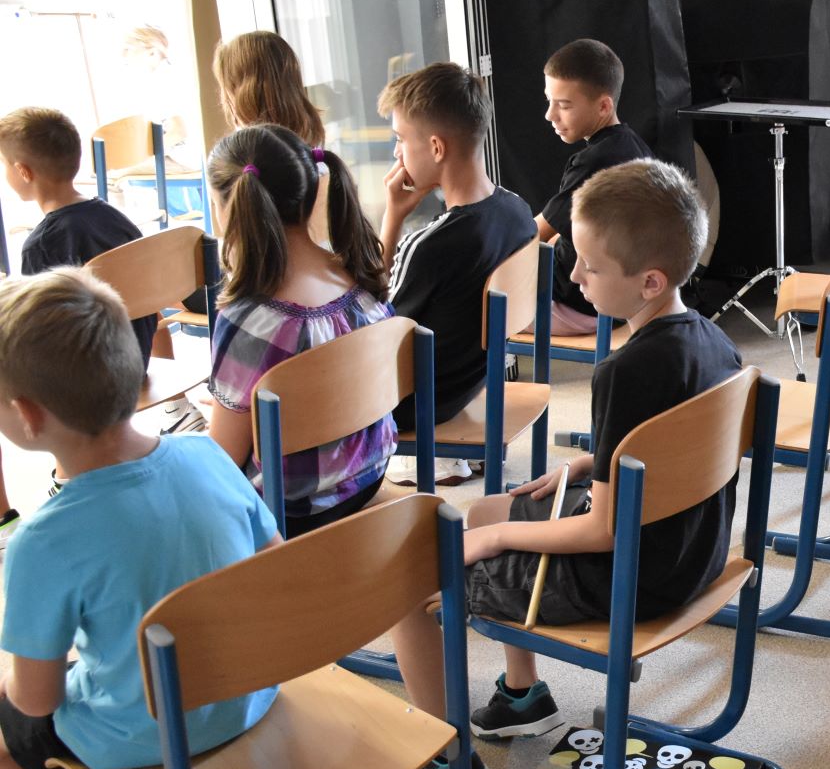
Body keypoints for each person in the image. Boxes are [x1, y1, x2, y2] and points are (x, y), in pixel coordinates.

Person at [379, 159, 741, 769]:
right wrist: (583, 464)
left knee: (410, 577)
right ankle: (522, 697)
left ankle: (443, 760)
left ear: (649, 281)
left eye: (590, 268)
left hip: (629, 577)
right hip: (694, 551)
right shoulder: (716, 343)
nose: (572, 278)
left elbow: (602, 530)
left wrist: (497, 542)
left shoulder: (625, 371)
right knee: (493, 507)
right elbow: (667, 445)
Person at [0, 269, 280, 769]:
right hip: (249, 699)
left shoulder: (42, 541)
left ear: (27, 415)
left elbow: (34, 703)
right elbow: (275, 569)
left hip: (144, 732)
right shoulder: (207, 455)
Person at [205, 124, 394, 537]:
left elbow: (224, 458)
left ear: (230, 208)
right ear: (308, 195)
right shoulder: (360, 275)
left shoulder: (249, 318)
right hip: (368, 476)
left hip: (290, 511)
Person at [0, 106, 163, 533]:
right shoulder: (114, 217)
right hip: (133, 360)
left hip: (84, 386)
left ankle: (47, 493)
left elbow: (39, 338)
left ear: (23, 171)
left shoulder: (41, 246)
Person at [377, 62, 537, 487]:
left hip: (418, 404)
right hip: (474, 382)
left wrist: (392, 218)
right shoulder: (519, 212)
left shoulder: (431, 245)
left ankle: (426, 457)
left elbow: (371, 327)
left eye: (400, 140)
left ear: (435, 147)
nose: (397, 154)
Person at [537, 38, 652, 336]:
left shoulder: (593, 162)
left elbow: (533, 233)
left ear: (603, 106)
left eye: (563, 105)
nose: (550, 115)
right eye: (549, 101)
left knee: (474, 299)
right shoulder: (634, 147)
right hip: (623, 297)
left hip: (582, 304)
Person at [212, 31, 326, 148]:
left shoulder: (247, 155)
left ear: (247, 93)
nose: (224, 98)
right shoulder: (313, 149)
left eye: (228, 89)